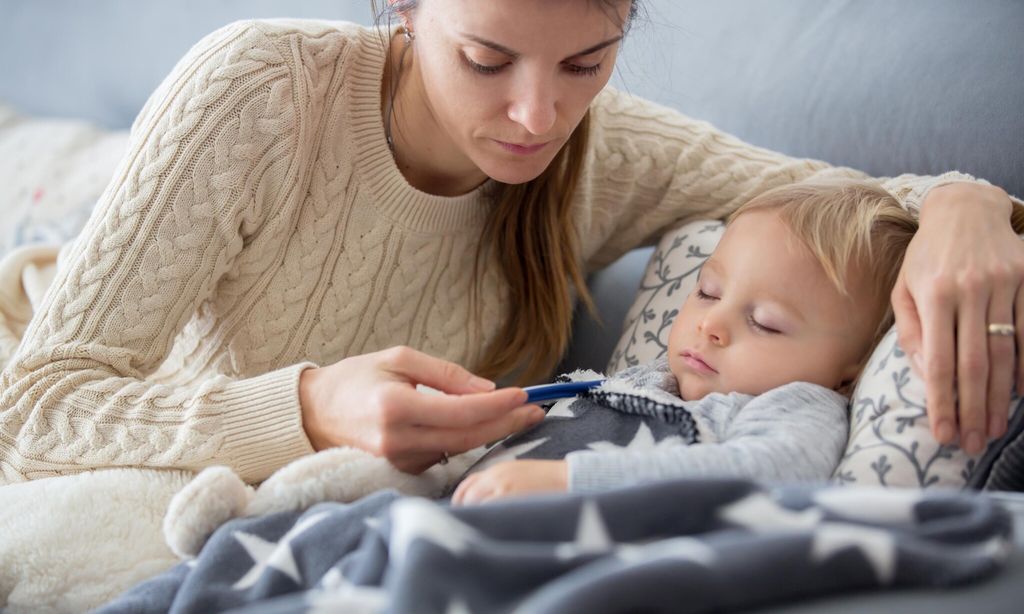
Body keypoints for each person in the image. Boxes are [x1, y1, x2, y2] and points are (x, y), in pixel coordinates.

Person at [0, 0, 1021, 487]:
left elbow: (831, 205)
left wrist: (966, 205)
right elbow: (37, 405)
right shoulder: (261, 90)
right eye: (485, 60)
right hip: (47, 285)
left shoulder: (605, 152)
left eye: (586, 60)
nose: (538, 117)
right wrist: (309, 405)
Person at [451, 179, 917, 504]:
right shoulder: (649, 378)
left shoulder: (796, 406)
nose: (710, 323)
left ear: (848, 373)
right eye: (708, 292)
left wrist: (573, 482)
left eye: (766, 323)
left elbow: (769, 473)